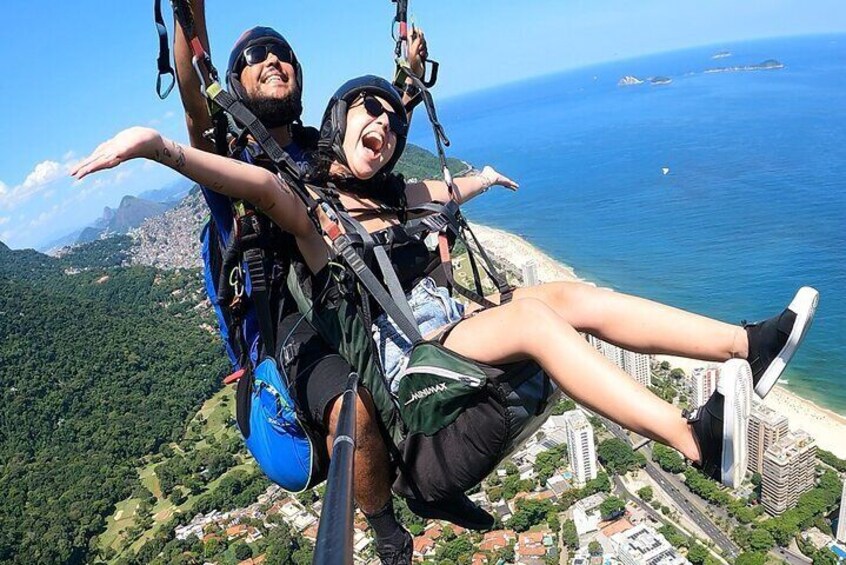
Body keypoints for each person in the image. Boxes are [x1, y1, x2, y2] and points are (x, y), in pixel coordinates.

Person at [71, 75, 818, 555]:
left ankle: (742, 345)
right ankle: (693, 439)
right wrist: (165, 148)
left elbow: (445, 192)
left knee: (568, 298)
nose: (387, 126)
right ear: (336, 124)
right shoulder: (315, 217)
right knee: (533, 317)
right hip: (410, 383)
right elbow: (259, 189)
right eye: (373, 113)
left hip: (442, 350)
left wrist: (482, 179)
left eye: (395, 124)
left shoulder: (399, 198)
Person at [170, 3, 444, 561]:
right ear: (235, 80)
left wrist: (406, 81)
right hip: (286, 326)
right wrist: (187, 20)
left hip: (340, 295)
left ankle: (441, 458)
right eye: (254, 55)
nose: (271, 58)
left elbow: (372, 151)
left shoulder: (318, 147)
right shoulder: (227, 166)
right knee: (354, 403)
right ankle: (389, 535)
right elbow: (193, 100)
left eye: (282, 53)